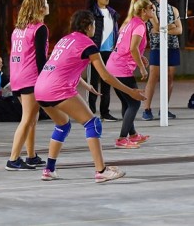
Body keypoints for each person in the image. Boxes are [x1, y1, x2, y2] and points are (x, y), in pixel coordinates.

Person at [35, 10, 145, 182]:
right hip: (57, 89)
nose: (95, 27)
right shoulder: (88, 44)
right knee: (92, 123)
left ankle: (49, 169)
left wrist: (86, 85)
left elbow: (63, 66)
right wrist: (131, 91)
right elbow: (106, 76)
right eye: (93, 24)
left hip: (40, 88)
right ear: (88, 26)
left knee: (62, 125)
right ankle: (101, 171)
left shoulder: (65, 40)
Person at [5, 0, 50, 171]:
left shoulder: (18, 29)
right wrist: (46, 78)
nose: (48, 4)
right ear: (39, 7)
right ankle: (13, 159)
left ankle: (31, 156)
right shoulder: (40, 28)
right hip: (30, 78)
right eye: (45, 2)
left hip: (17, 77)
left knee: (32, 118)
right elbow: (40, 58)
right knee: (27, 119)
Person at [105, 0, 157, 149]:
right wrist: (141, 67)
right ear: (143, 11)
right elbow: (133, 47)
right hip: (122, 69)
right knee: (134, 102)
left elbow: (125, 46)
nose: (153, 11)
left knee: (127, 102)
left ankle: (133, 135)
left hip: (113, 66)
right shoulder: (139, 25)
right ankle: (122, 139)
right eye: (151, 9)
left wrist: (140, 58)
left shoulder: (130, 23)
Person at [142, 0, 183, 121]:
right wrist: (170, 27)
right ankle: (146, 109)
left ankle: (164, 109)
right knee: (153, 76)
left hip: (172, 46)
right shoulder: (151, 7)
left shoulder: (173, 9)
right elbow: (155, 29)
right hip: (157, 46)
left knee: (170, 77)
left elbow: (179, 30)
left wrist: (167, 29)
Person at [87, 0, 121, 122]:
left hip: (109, 53)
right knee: (93, 84)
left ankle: (105, 113)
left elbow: (115, 32)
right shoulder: (91, 13)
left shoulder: (112, 13)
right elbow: (87, 34)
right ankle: (90, 112)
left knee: (107, 83)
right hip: (96, 53)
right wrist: (88, 53)